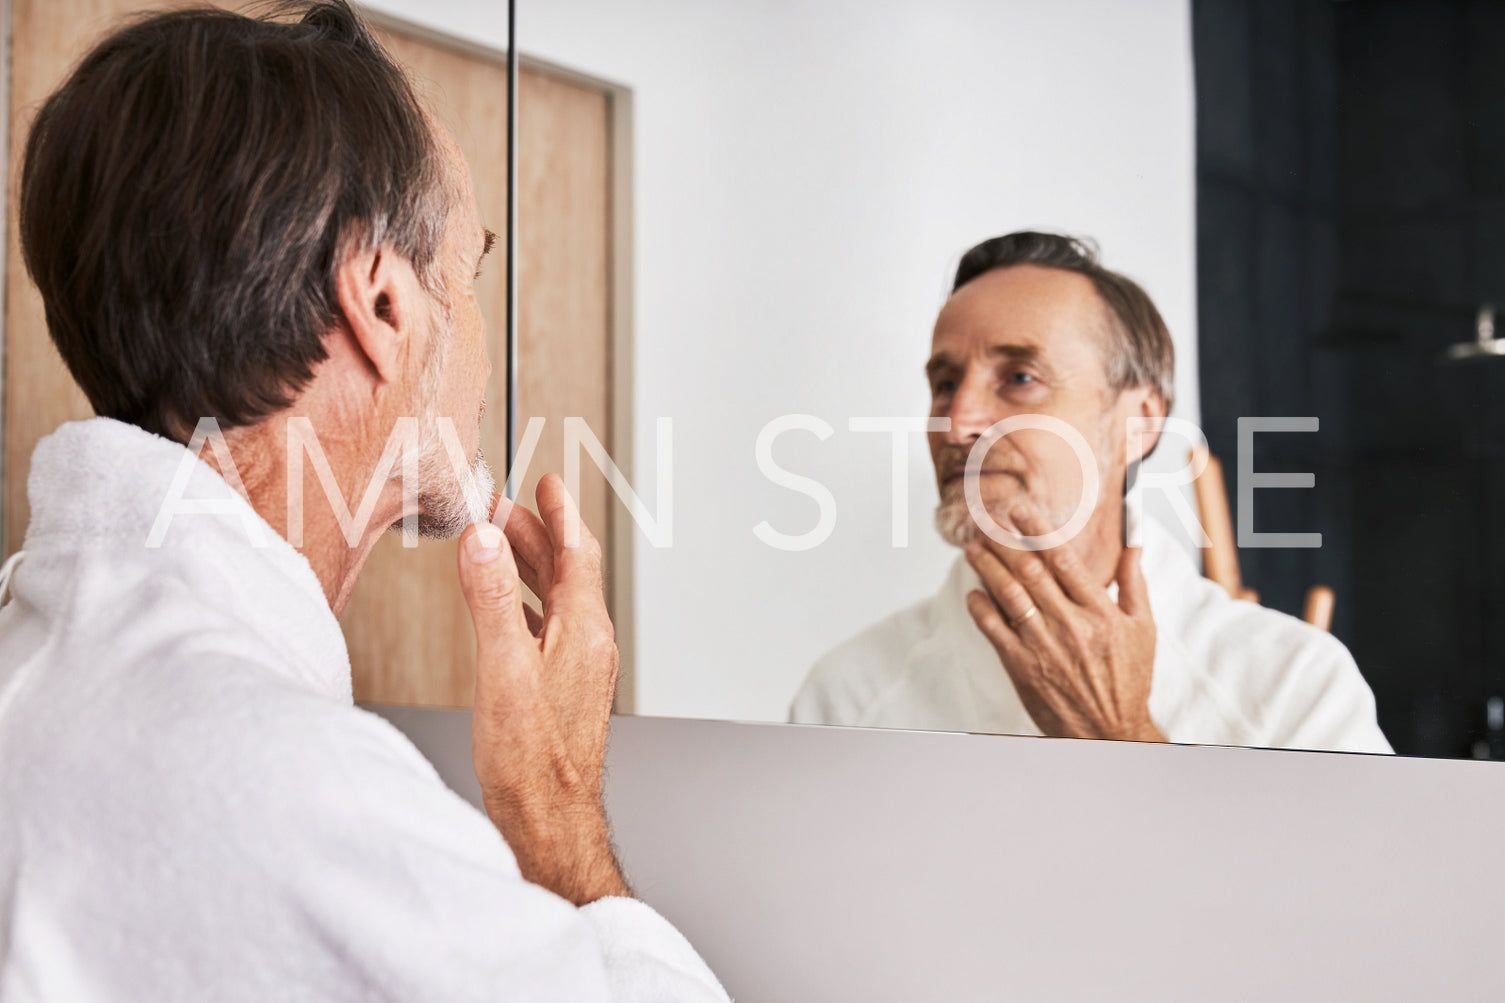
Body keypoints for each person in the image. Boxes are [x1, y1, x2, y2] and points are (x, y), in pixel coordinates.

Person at [0, 3, 727, 1000]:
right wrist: (557, 818)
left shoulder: (42, 661)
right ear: (381, 305)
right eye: (466, 275)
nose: (482, 348)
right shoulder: (286, 785)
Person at [791, 231, 1391, 754]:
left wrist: (1123, 737)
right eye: (945, 383)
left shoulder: (1293, 686)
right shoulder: (846, 699)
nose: (957, 420)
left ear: (1139, 422)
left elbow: (1354, 888)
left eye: (1020, 377)